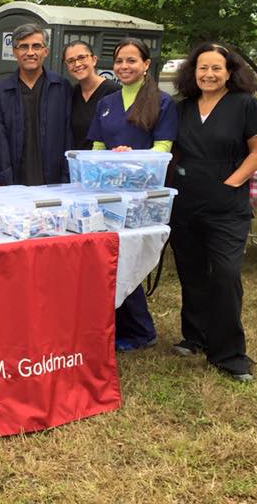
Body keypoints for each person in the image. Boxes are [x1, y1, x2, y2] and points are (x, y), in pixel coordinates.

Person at [170, 42, 257, 382]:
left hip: (227, 206)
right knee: (191, 272)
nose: (208, 74)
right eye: (202, 68)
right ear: (192, 71)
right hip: (185, 203)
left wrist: (230, 184)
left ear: (229, 73)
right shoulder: (182, 108)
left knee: (225, 274)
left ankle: (229, 354)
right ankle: (194, 336)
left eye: (216, 68)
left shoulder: (244, 105)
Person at [86, 37, 178, 352]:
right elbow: (96, 148)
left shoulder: (162, 102)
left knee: (131, 260)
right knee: (110, 260)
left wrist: (130, 159)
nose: (124, 67)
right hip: (109, 194)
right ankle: (121, 325)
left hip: (142, 197)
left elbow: (163, 148)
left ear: (146, 64)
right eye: (119, 61)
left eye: (131, 61)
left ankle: (141, 330)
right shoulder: (107, 103)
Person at [0, 22, 73, 185]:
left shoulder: (61, 88)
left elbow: (69, 135)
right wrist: (4, 181)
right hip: (16, 183)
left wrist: (66, 176)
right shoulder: (2, 91)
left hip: (54, 181)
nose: (30, 52)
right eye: (23, 47)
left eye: (36, 46)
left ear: (45, 51)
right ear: (15, 52)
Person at [62, 40, 120, 150]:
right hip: (77, 162)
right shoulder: (72, 94)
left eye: (82, 58)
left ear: (94, 60)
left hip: (104, 162)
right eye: (71, 61)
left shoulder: (113, 92)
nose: (77, 64)